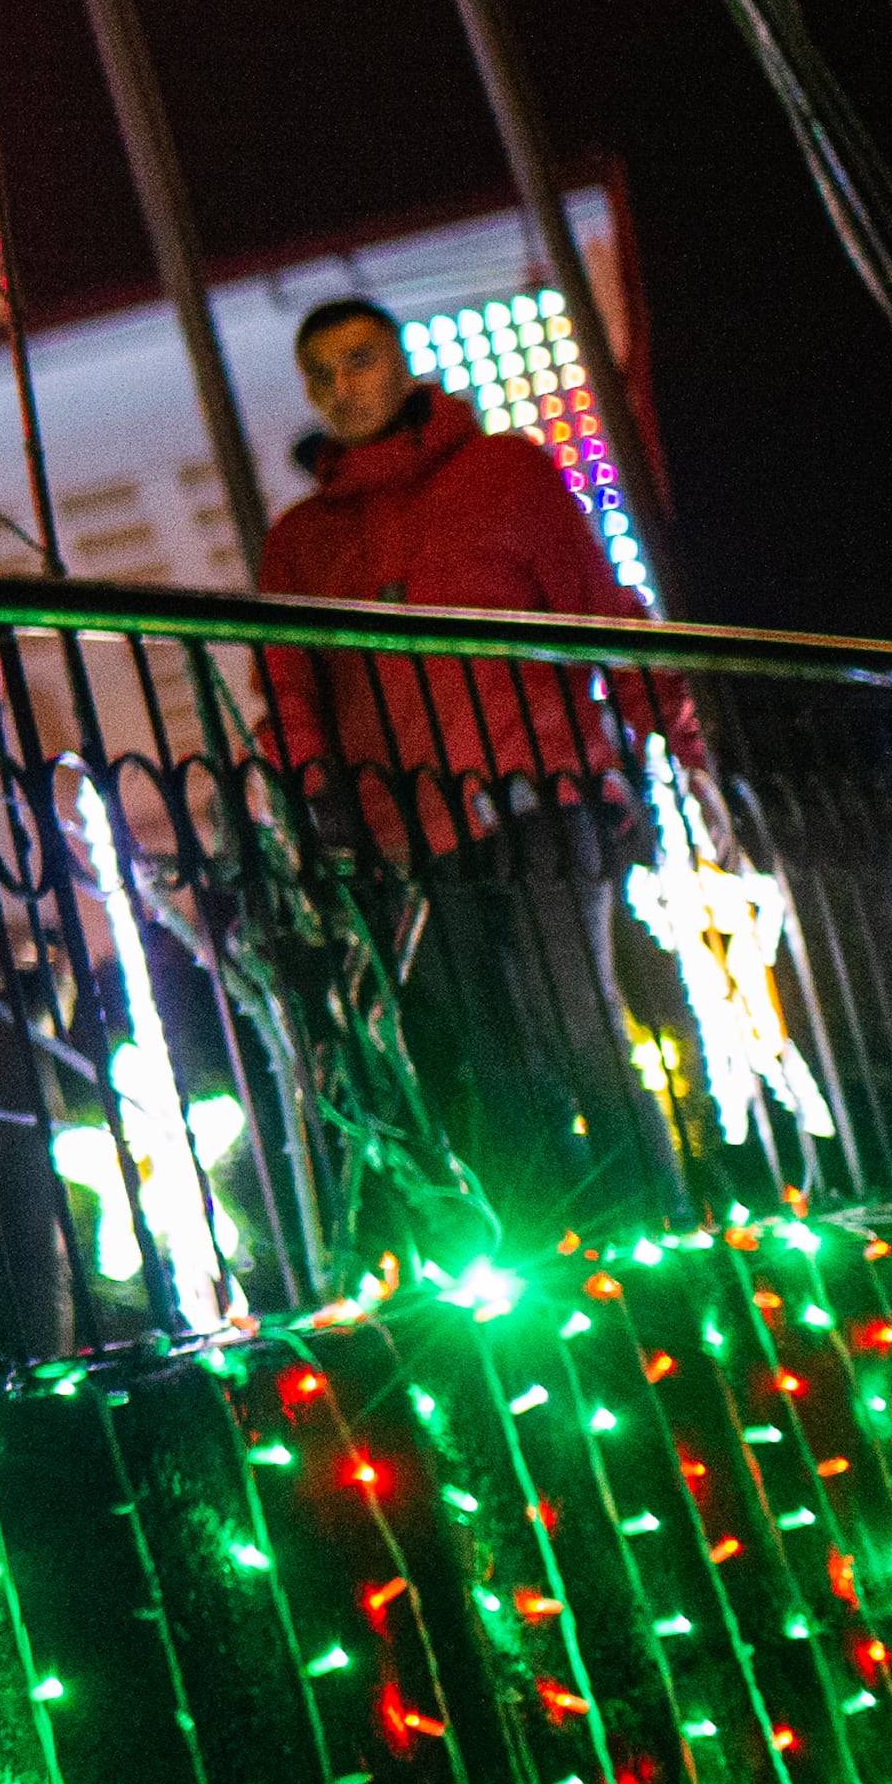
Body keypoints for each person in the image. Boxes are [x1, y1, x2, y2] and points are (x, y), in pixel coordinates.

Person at [252, 293, 682, 1237]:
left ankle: (647, 1233)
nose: (341, 386)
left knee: (574, 1020)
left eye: (358, 359)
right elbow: (291, 690)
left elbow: (594, 603)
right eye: (320, 373)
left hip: (537, 787)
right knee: (489, 1050)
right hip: (412, 821)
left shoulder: (503, 475)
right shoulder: (303, 540)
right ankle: (562, 1248)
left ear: (401, 361)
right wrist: (318, 799)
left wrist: (673, 744)